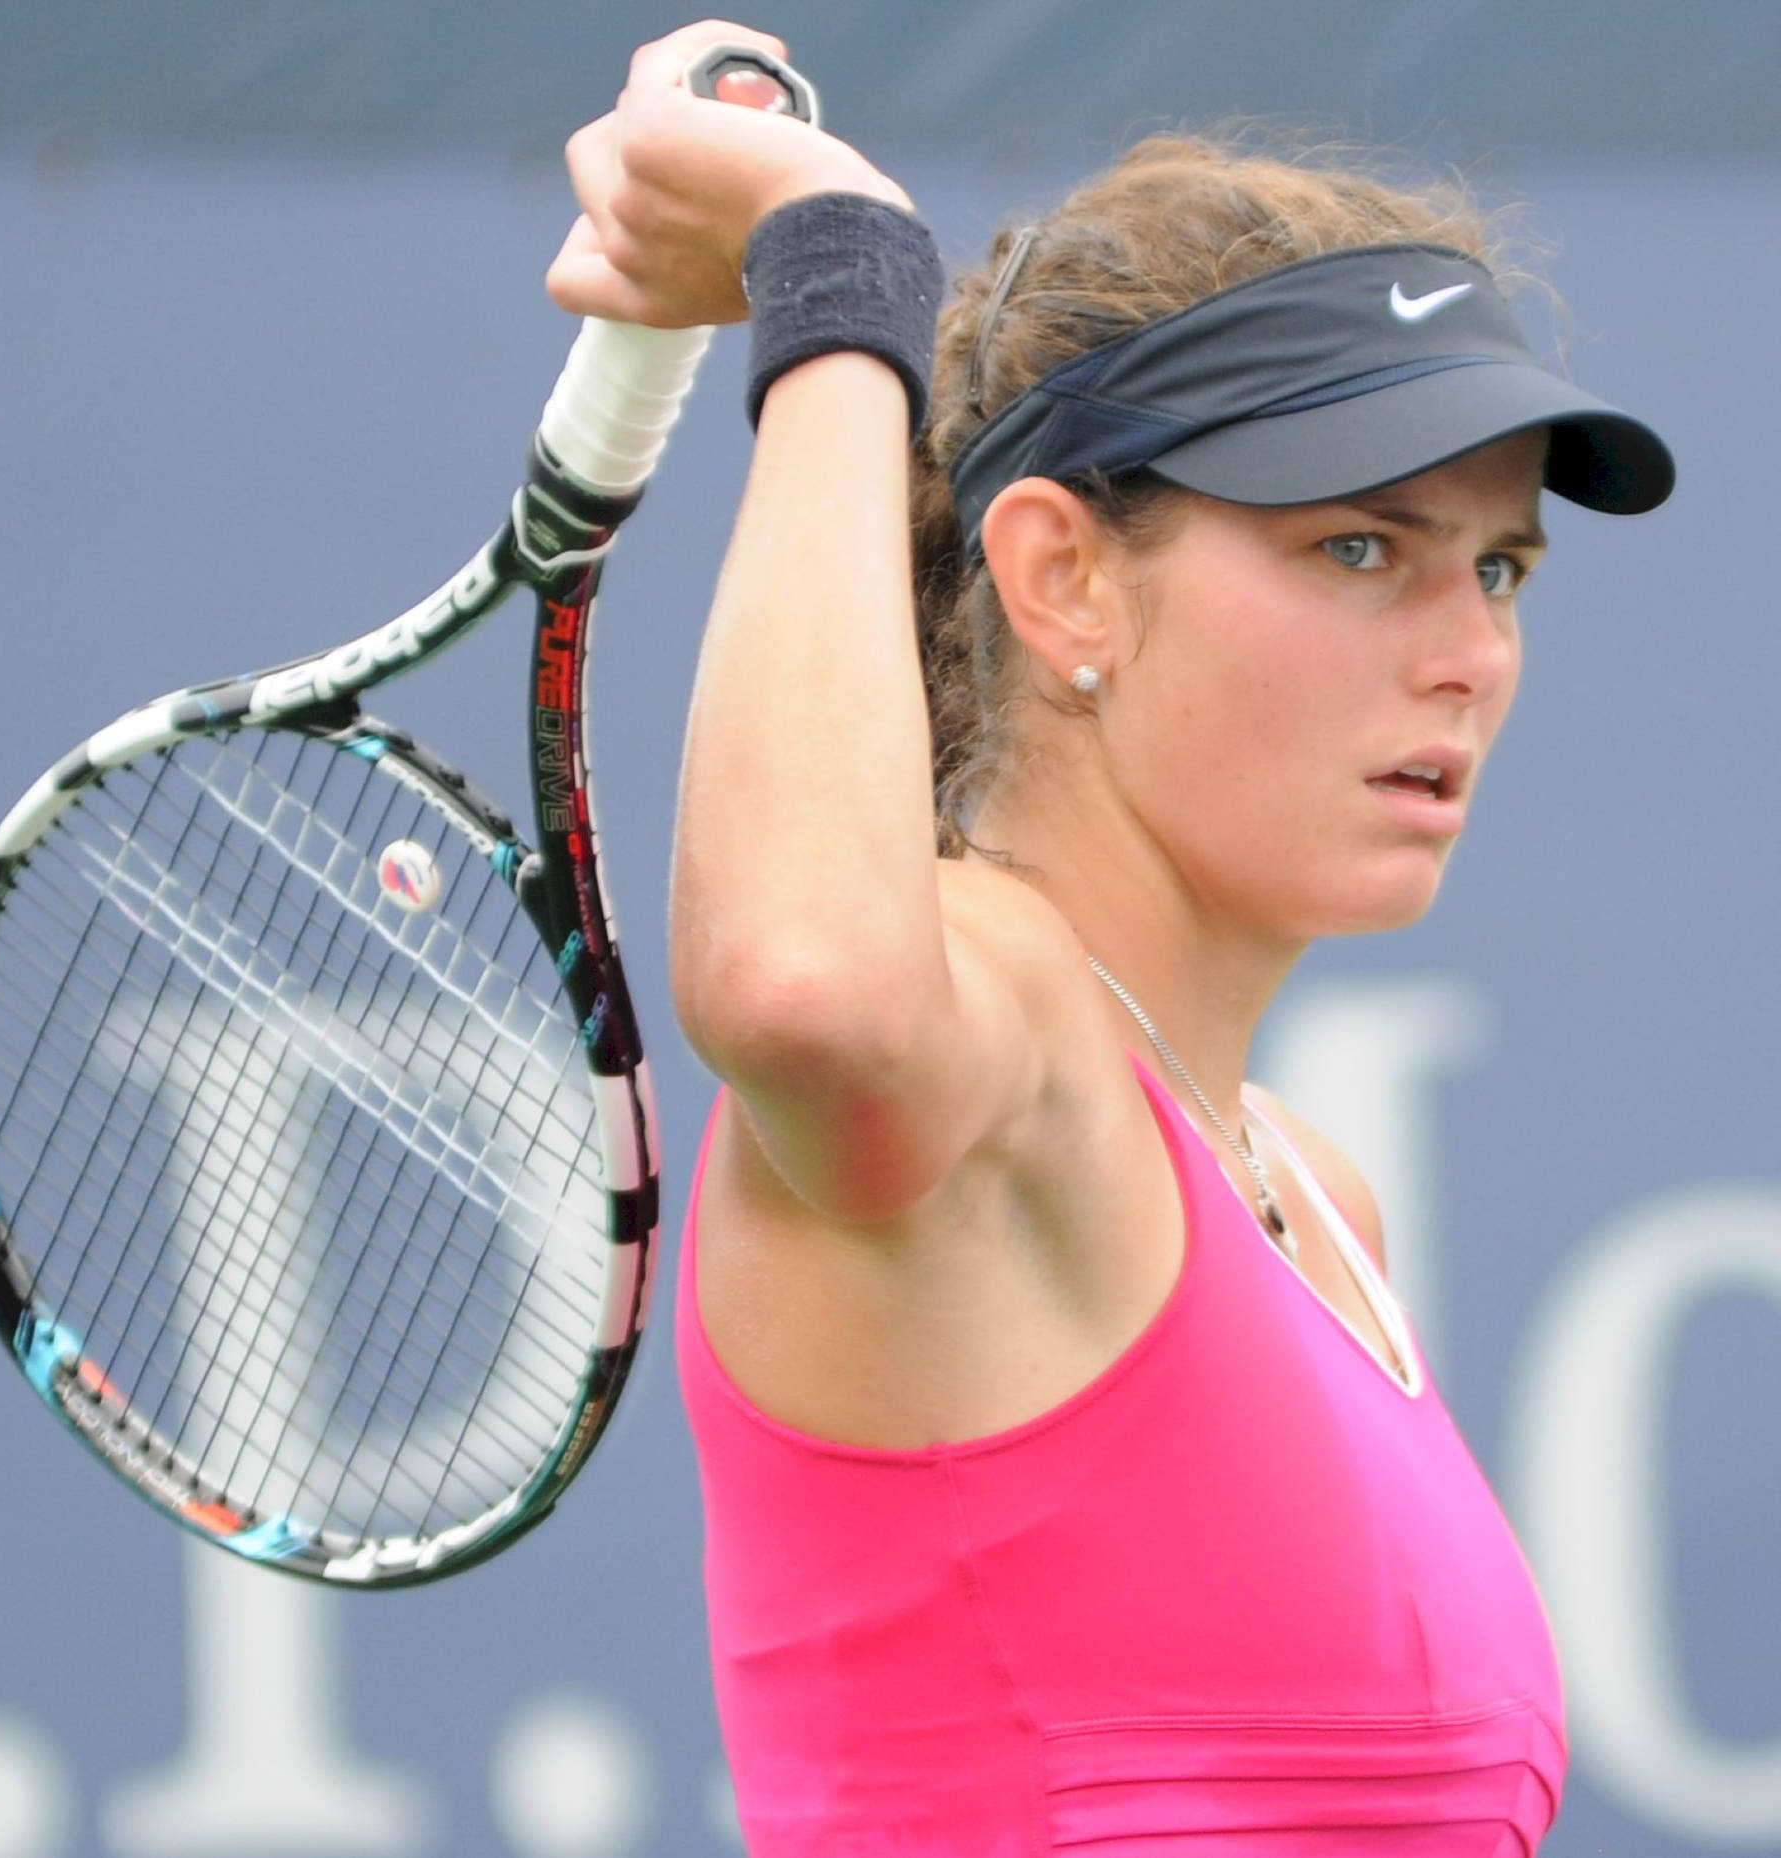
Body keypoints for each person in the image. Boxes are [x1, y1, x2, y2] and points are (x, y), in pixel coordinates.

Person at [551, 22, 1674, 1854]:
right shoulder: (1000, 1044)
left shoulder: (1317, 1202)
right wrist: (838, 273)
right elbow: (804, 985)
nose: (1469, 647)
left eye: (1499, 565)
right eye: (1360, 549)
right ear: (1063, 572)